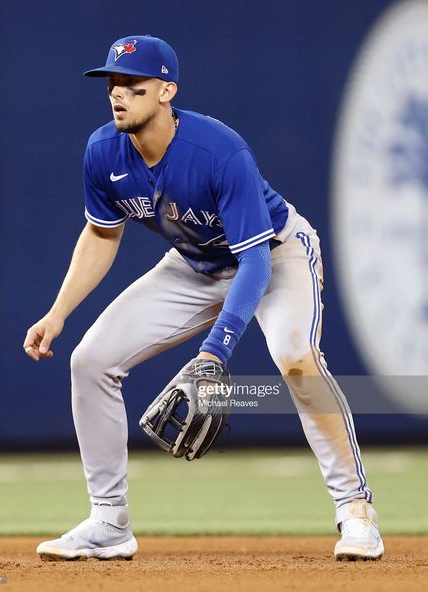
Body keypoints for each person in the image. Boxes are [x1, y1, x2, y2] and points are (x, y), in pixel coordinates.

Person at [24, 35, 383, 561]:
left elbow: (255, 260)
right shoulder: (104, 150)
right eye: (112, 84)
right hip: (194, 265)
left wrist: (216, 350)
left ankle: (356, 511)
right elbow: (102, 235)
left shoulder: (217, 150)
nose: (117, 94)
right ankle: (109, 521)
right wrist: (58, 313)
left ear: (167, 90)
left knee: (298, 362)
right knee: (91, 360)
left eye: (133, 85)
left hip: (275, 254)